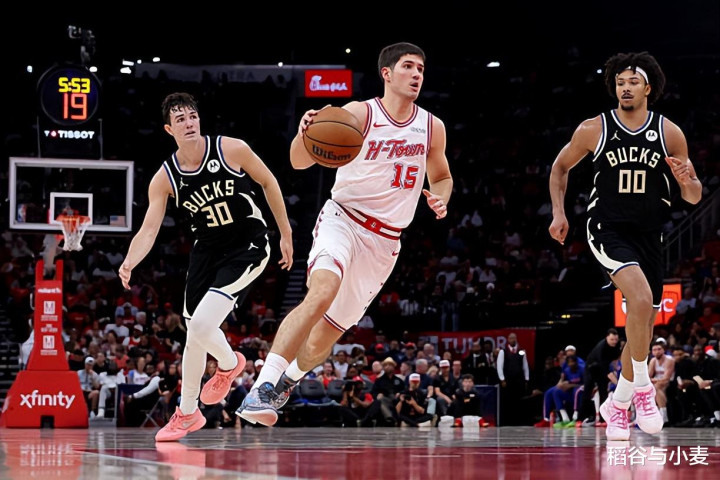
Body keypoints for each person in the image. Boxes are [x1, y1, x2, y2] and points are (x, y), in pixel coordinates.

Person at [237, 42, 452, 426]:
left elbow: (442, 176)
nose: (417, 74)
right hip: (344, 219)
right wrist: (304, 135)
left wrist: (441, 198)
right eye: (408, 66)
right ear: (387, 73)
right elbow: (298, 161)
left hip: (385, 242)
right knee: (322, 291)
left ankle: (288, 381)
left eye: (421, 68)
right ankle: (262, 386)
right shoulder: (359, 113)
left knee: (324, 337)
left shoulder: (432, 127)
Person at [119, 92, 293, 441]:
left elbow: (268, 181)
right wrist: (129, 261)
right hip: (207, 251)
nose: (188, 123)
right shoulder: (165, 178)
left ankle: (223, 370)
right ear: (169, 129)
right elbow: (149, 228)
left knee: (200, 325)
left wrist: (286, 233)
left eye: (192, 116)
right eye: (180, 119)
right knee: (193, 332)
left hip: (247, 245)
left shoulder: (231, 149)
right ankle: (192, 407)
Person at [549, 52, 702, 440]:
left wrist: (686, 179)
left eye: (633, 82)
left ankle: (617, 405)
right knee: (639, 298)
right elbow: (560, 167)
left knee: (642, 326)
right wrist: (559, 213)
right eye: (620, 82)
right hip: (607, 229)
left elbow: (694, 196)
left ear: (648, 87)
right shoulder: (594, 128)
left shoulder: (669, 132)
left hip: (650, 234)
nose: (625, 88)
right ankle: (644, 391)